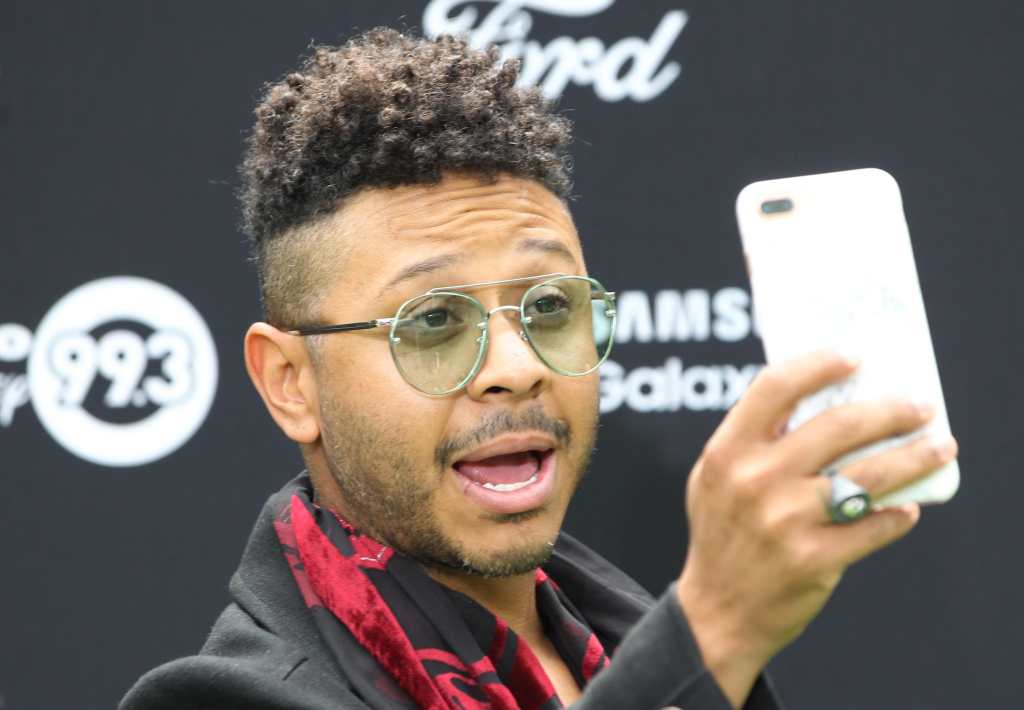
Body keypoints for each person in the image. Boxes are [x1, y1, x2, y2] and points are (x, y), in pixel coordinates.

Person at [120, 28, 957, 710]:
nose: (517, 368)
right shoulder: (218, 700)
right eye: (434, 321)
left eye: (550, 307)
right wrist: (711, 633)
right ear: (289, 382)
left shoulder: (615, 637)